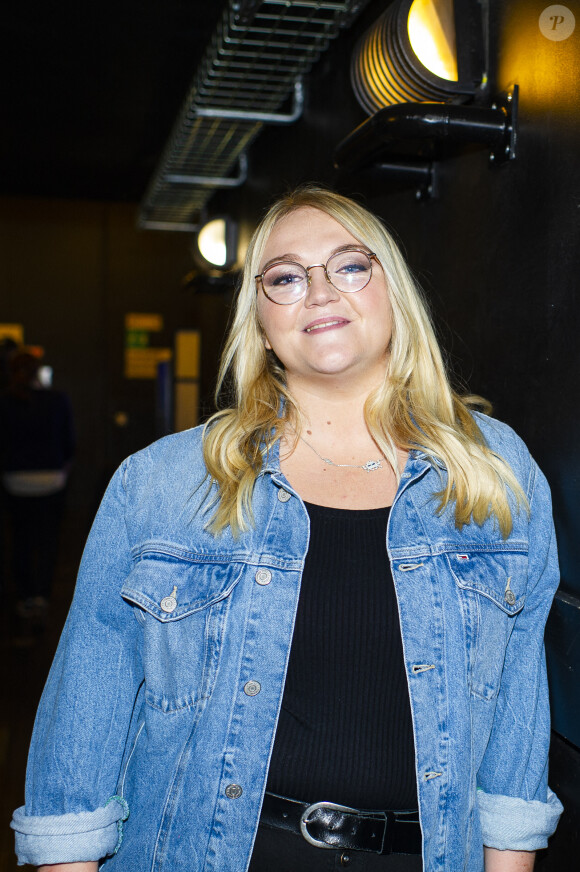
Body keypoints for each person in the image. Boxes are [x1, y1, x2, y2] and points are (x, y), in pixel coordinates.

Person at [12, 186, 562, 872]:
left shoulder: (494, 470)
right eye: (287, 277)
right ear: (262, 322)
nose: (321, 291)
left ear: (393, 291)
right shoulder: (161, 484)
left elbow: (518, 709)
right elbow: (82, 717)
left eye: (350, 266)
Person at [0, 351, 74, 627]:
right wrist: (63, 471)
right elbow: (69, 442)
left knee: (20, 541)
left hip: (15, 481)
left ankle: (25, 596)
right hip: (51, 480)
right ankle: (42, 595)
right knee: (47, 541)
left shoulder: (6, 402)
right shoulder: (57, 401)